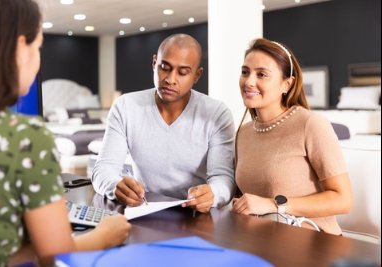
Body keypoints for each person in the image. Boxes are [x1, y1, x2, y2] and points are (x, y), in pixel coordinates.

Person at [0, 1, 131, 266]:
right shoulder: (26, 138)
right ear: (19, 50)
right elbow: (56, 253)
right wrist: (106, 234)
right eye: (38, 46)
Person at [92, 33, 236, 213]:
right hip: (145, 211)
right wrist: (115, 186)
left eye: (183, 72)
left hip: (197, 216)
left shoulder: (217, 113)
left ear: (197, 75)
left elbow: (224, 178)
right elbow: (103, 169)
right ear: (154, 63)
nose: (170, 79)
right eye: (164, 67)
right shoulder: (125, 107)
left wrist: (213, 193)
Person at [232, 38, 353, 235]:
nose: (249, 81)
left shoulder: (311, 124)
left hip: (315, 243)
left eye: (261, 74)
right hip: (262, 239)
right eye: (245, 72)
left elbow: (343, 200)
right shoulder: (243, 133)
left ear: (286, 84)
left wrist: (273, 204)